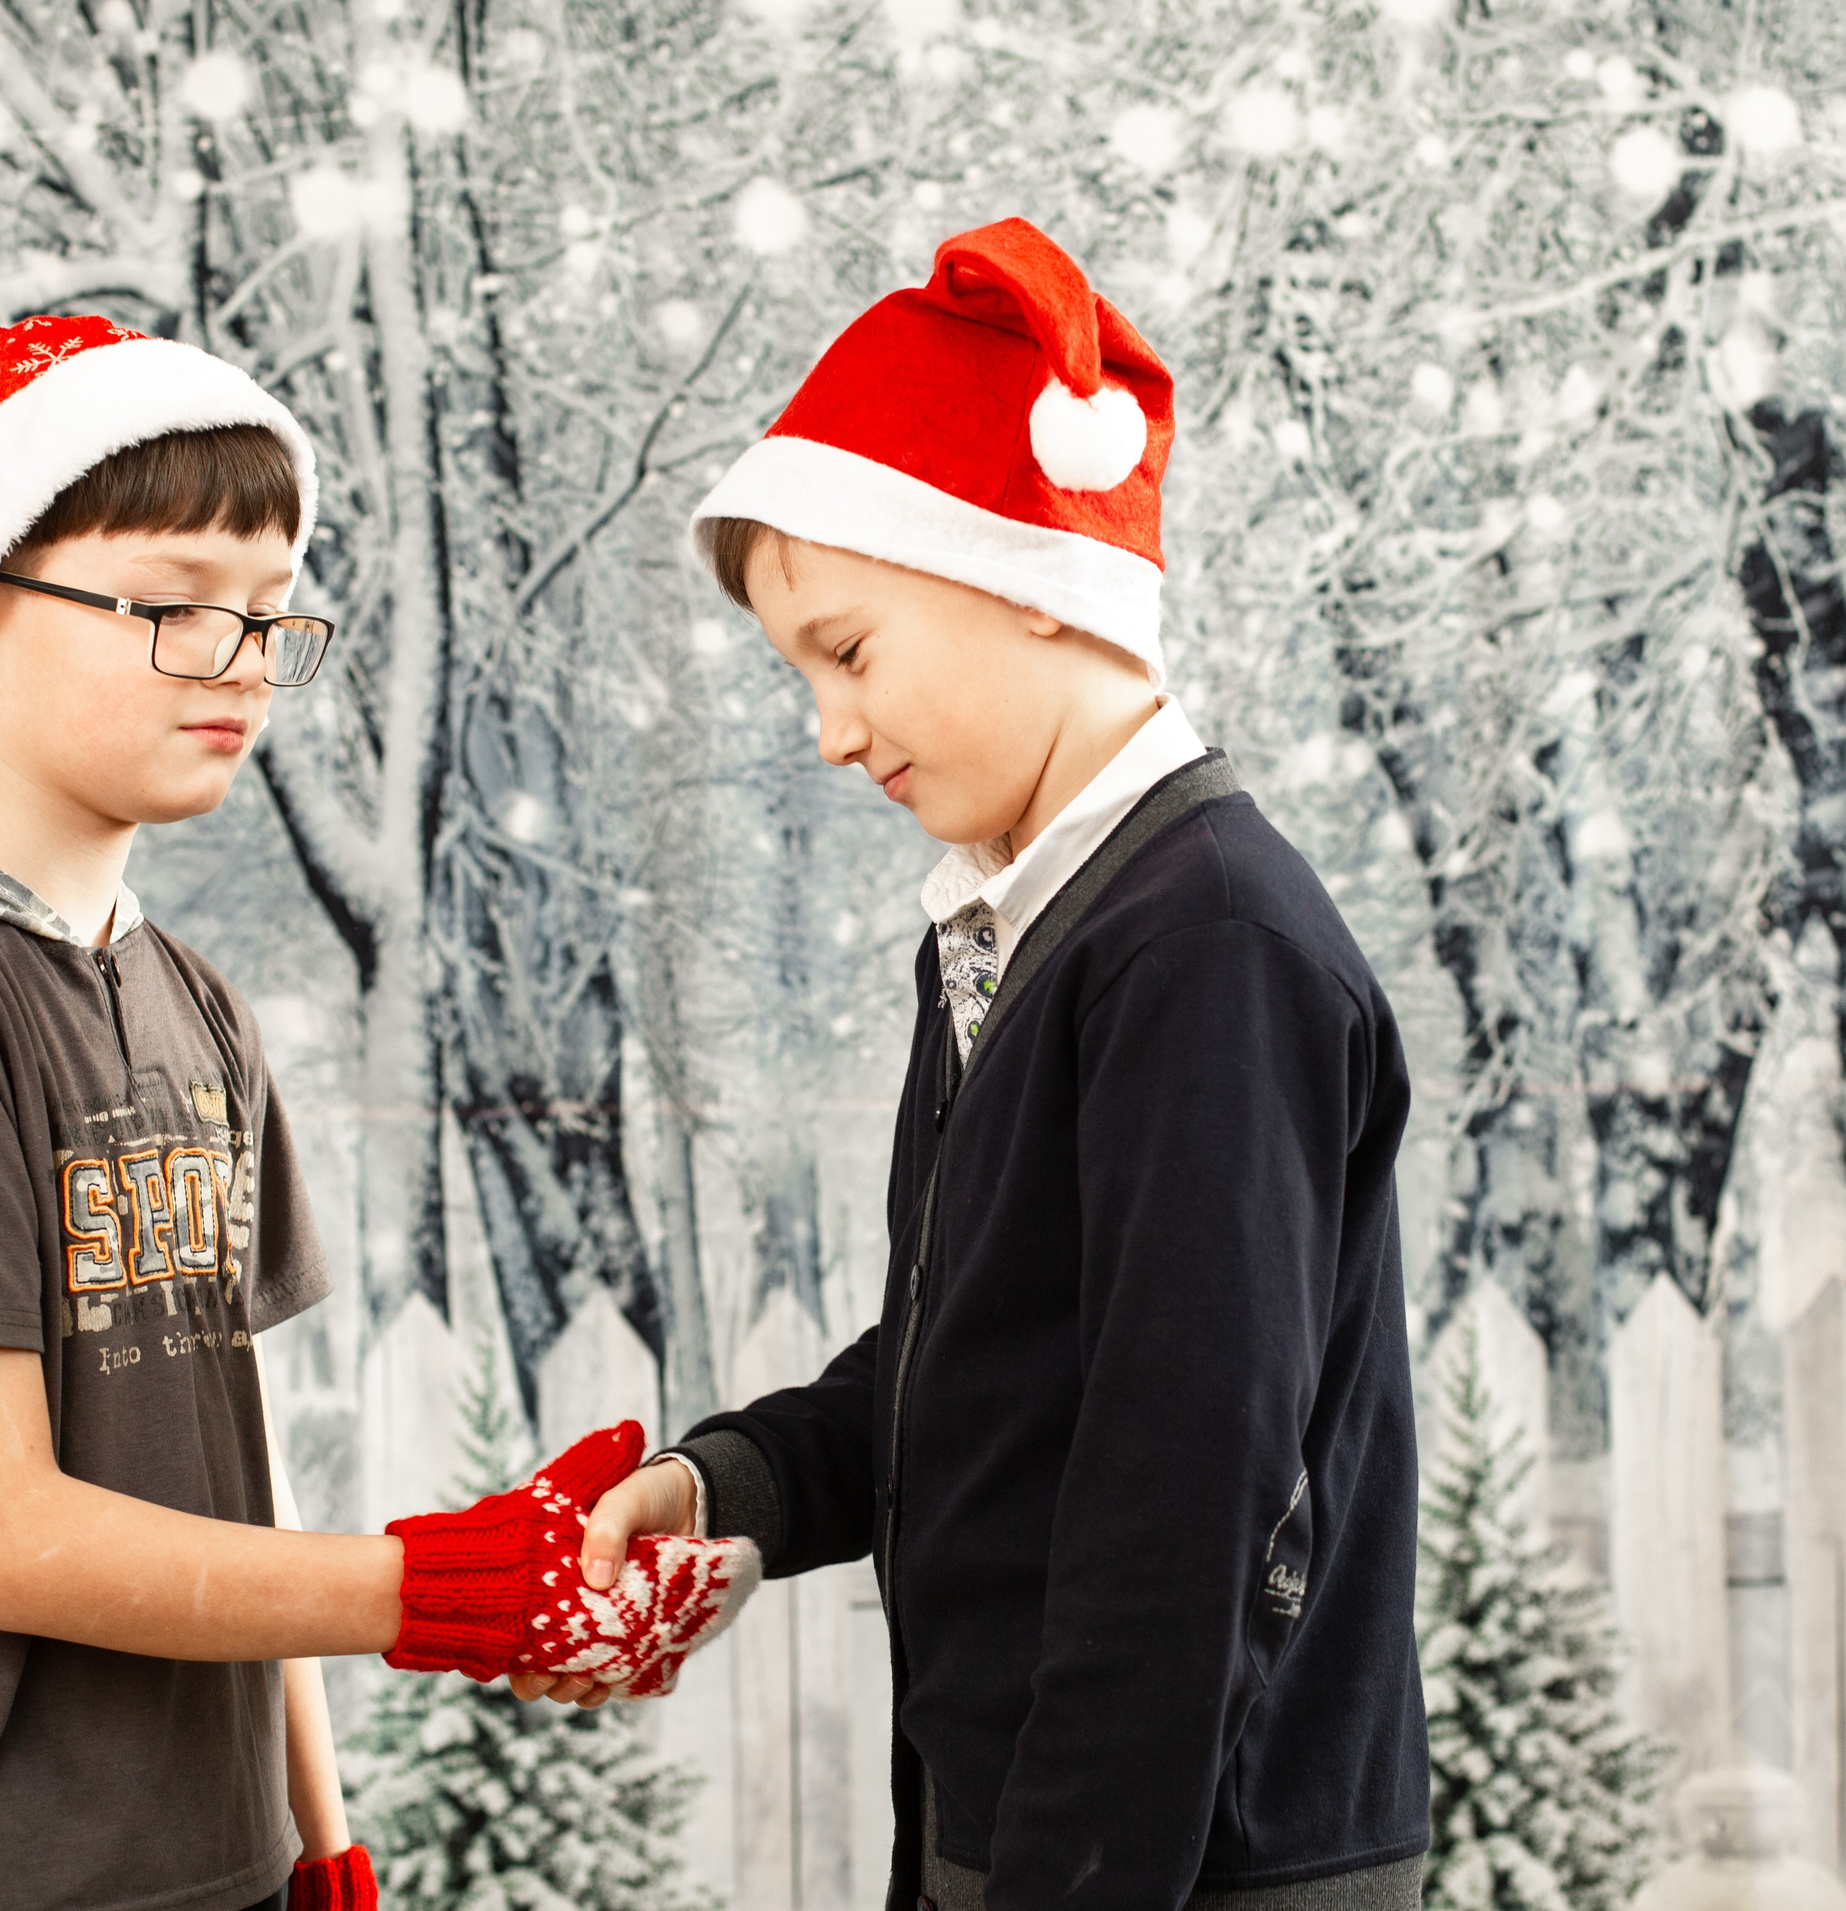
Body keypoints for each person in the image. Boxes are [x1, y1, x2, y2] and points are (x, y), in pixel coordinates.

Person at [0, 315, 755, 1911]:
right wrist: (446, 1586)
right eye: (175, 605)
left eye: (270, 613)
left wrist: (319, 1836)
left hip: (220, 1869)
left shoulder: (195, 1001)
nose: (244, 662)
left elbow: (235, 1465)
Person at [535, 221, 1431, 1911]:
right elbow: (992, 1355)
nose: (830, 732)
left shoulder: (1207, 946)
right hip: (1037, 1817)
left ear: (1035, 579)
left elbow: (1188, 1486)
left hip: (1177, 1858)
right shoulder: (1030, 928)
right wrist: (728, 1482)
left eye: (850, 651)